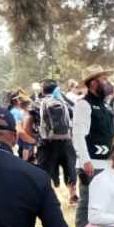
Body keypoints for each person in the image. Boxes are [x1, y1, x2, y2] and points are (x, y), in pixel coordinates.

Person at [73, 67, 114, 227]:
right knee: (86, 203)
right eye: (104, 79)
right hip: (91, 164)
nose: (108, 83)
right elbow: (78, 135)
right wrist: (85, 161)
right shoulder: (84, 104)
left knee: (104, 203)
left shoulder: (107, 106)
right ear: (93, 83)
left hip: (107, 163)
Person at [36, 79, 79, 207]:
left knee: (46, 171)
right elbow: (73, 113)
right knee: (70, 167)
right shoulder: (63, 102)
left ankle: (51, 199)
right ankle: (73, 195)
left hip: (47, 143)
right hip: (66, 141)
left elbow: (33, 121)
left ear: (42, 90)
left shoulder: (38, 103)